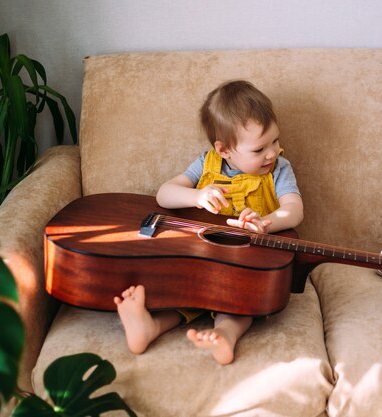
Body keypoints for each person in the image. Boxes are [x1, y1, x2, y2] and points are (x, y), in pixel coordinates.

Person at [114, 80, 304, 364]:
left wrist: (265, 223)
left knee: (239, 304)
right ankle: (149, 326)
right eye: (259, 149)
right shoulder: (206, 164)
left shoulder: (278, 169)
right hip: (201, 262)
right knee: (183, 295)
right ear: (224, 149)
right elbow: (164, 195)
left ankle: (224, 336)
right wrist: (197, 196)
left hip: (247, 264)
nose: (272, 153)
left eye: (275, 141)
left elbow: (294, 210)